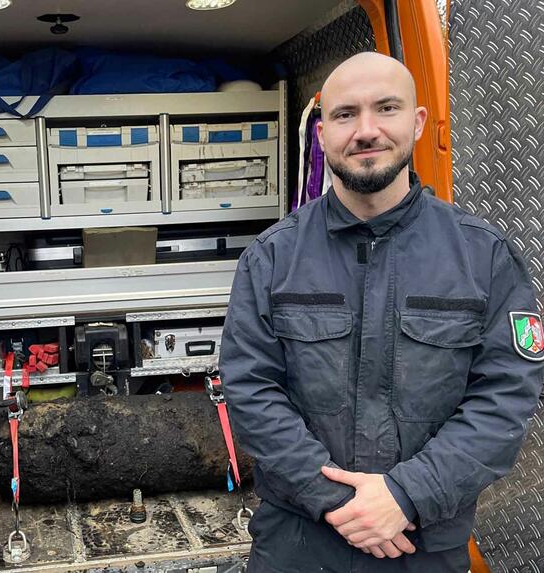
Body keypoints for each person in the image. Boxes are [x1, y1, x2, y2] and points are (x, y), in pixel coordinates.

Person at [220, 51, 544, 572]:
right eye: (346, 114)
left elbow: (505, 398)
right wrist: (339, 503)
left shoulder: (483, 258)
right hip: (298, 544)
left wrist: (406, 496)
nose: (366, 130)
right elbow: (250, 388)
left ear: (417, 124)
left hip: (421, 544)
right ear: (322, 133)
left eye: (386, 108)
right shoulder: (272, 257)